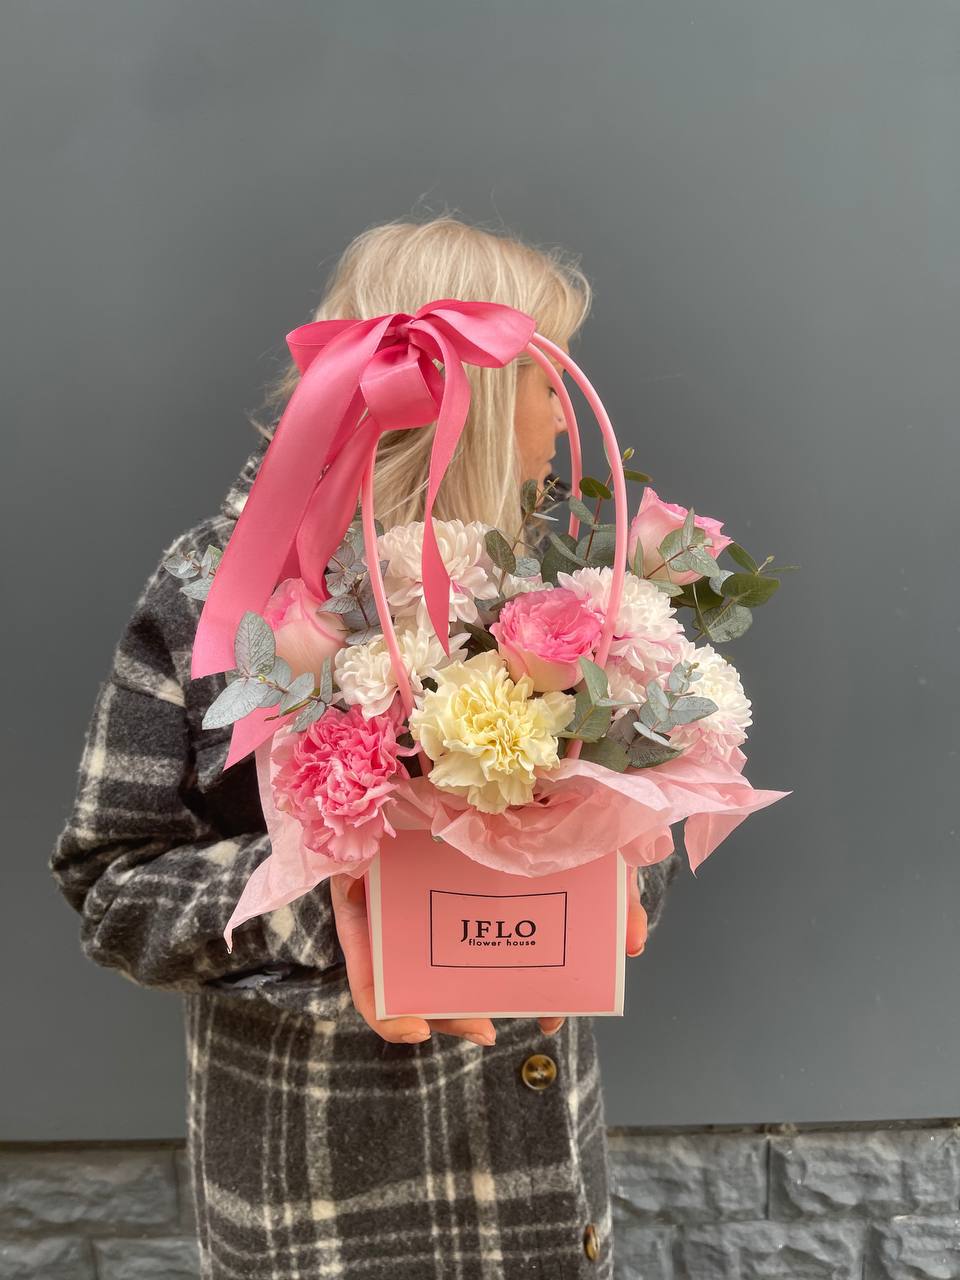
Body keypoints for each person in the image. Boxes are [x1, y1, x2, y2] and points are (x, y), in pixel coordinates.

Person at [50, 215, 682, 1279]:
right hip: (322, 1208)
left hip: (540, 1194)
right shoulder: (224, 590)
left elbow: (628, 842)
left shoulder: (560, 585)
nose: (562, 416)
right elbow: (113, 890)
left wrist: (610, 852)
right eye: (545, 380)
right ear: (476, 400)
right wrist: (336, 895)